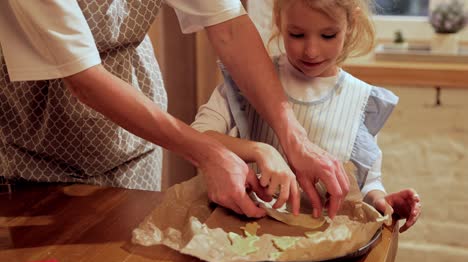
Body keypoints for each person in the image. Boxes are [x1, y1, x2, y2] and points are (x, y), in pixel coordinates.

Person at [0, 0, 348, 218]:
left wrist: (295, 139)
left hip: (133, 137)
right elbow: (84, 79)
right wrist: (208, 153)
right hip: (33, 139)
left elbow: (228, 26)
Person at [192, 0, 421, 230]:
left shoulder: (361, 101)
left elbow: (368, 183)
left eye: (328, 36)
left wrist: (380, 200)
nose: (311, 51)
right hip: (247, 233)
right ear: (279, 20)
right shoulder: (248, 79)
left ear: (350, 24)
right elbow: (198, 136)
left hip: (323, 243)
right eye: (297, 34)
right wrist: (257, 151)